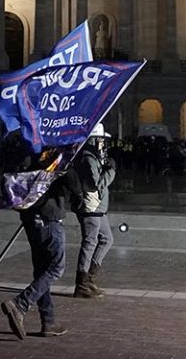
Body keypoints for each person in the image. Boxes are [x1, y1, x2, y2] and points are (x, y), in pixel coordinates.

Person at [0, 151, 79, 338]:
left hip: (29, 217)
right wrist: (70, 165)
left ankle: (48, 321)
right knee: (56, 268)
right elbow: (77, 188)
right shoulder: (56, 157)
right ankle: (20, 304)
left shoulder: (29, 151)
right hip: (49, 217)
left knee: (42, 270)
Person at [71, 123, 117, 299]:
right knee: (90, 242)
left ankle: (89, 277)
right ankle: (82, 283)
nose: (104, 143)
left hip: (97, 206)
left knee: (107, 239)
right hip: (91, 206)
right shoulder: (88, 157)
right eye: (101, 139)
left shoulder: (93, 156)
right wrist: (111, 171)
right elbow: (96, 183)